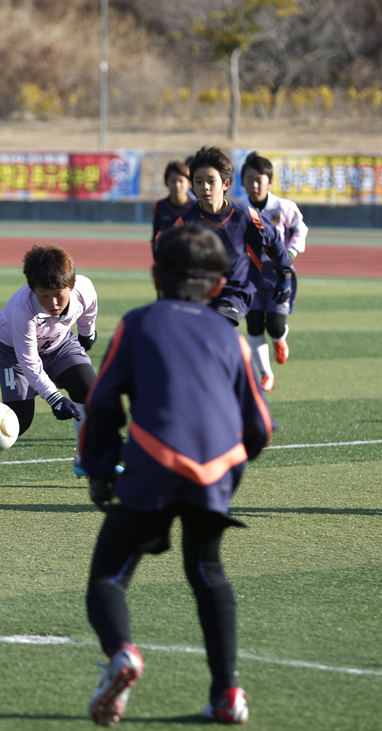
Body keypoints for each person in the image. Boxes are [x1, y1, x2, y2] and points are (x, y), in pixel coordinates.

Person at [80, 223, 272, 726]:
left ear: (155, 277)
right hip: (215, 474)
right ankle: (228, 694)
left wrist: (101, 471)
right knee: (208, 572)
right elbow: (261, 428)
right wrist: (226, 467)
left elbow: (100, 403)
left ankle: (123, 654)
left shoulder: (138, 324)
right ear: (217, 287)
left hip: (152, 465)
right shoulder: (233, 343)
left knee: (107, 578)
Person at [0, 244, 99, 486]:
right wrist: (55, 398)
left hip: (60, 344)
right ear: (32, 289)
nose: (53, 302)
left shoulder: (85, 288)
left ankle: (85, 458)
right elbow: (29, 361)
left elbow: (90, 310)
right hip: (14, 353)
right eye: (44, 295)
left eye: (59, 293)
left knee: (90, 392)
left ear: (71, 285)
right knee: (18, 420)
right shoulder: (22, 309)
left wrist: (86, 333)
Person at [167, 145, 293, 331]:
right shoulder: (186, 222)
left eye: (211, 181)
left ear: (225, 184)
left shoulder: (245, 215)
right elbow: (168, 252)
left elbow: (273, 236)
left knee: (215, 326)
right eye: (199, 182)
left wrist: (285, 274)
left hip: (237, 292)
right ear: (192, 185)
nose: (205, 187)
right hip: (201, 293)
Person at [240, 152, 308, 390]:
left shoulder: (283, 207)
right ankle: (266, 374)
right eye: (250, 179)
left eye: (260, 179)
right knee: (255, 325)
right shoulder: (239, 210)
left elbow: (301, 230)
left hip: (280, 274)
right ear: (242, 182)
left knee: (275, 327)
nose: (255, 185)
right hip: (249, 275)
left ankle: (280, 339)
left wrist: (289, 255)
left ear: (270, 181)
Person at [151, 159, 195, 244]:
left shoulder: (196, 206)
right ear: (166, 182)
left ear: (189, 183)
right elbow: (155, 237)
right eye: (173, 181)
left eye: (181, 181)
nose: (177, 185)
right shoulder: (159, 206)